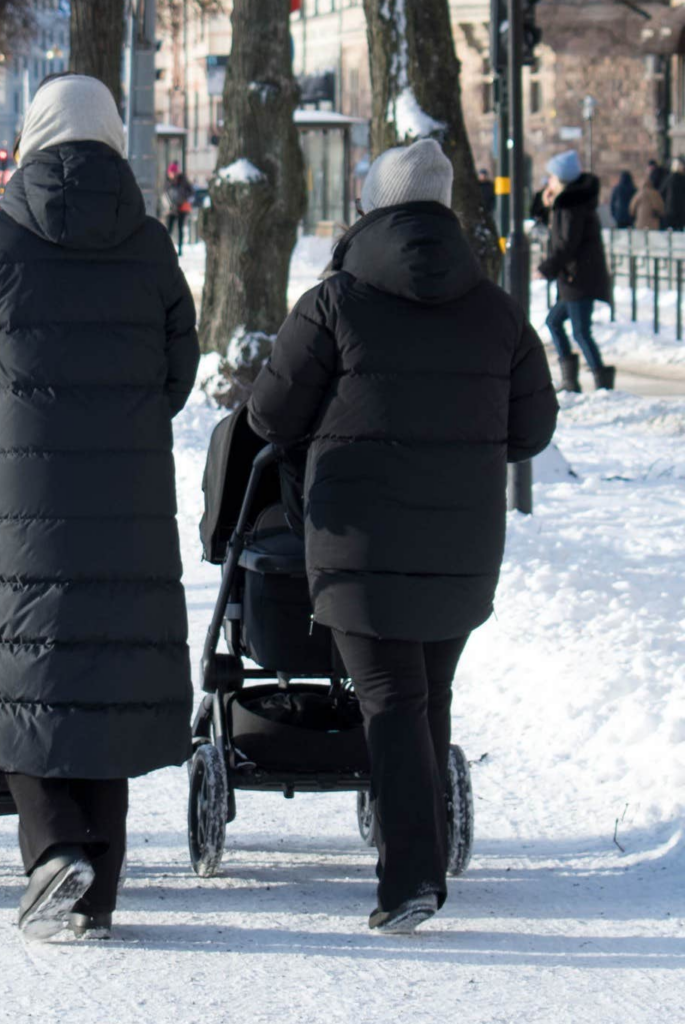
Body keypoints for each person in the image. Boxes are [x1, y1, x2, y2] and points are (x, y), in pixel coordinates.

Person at [0, 74, 197, 943]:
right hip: (130, 491)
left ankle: (55, 849)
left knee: (17, 668)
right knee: (110, 676)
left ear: (29, 142)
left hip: (27, 495)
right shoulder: (150, 246)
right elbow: (178, 373)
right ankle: (94, 897)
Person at [248, 138, 559, 935]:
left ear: (372, 208)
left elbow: (270, 417)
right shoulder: (494, 308)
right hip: (461, 546)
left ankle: (411, 878)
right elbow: (532, 429)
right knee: (429, 693)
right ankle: (420, 848)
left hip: (358, 539)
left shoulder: (336, 302)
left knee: (388, 697)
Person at [538, 150, 615, 391]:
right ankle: (574, 380)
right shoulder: (569, 203)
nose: (548, 182)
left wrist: (547, 267)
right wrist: (550, 206)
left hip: (580, 278)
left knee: (580, 331)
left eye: (551, 177)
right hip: (575, 278)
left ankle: (600, 382)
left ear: (560, 179)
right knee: (556, 323)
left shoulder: (571, 207)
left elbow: (566, 244)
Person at [164, 162, 194, 253]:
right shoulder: (167, 183)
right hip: (171, 209)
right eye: (170, 173)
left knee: (180, 228)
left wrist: (184, 198)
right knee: (169, 229)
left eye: (173, 173)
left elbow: (191, 192)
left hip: (181, 207)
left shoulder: (183, 181)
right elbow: (165, 194)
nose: (172, 175)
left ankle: (180, 249)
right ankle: (167, 248)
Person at [631, 165, 667, 230]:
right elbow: (660, 209)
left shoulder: (639, 194)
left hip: (640, 223)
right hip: (653, 224)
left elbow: (632, 209)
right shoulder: (655, 194)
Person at [661, 156, 685, 230]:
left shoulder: (669, 178)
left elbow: (661, 192)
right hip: (681, 210)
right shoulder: (683, 180)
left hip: (670, 210)